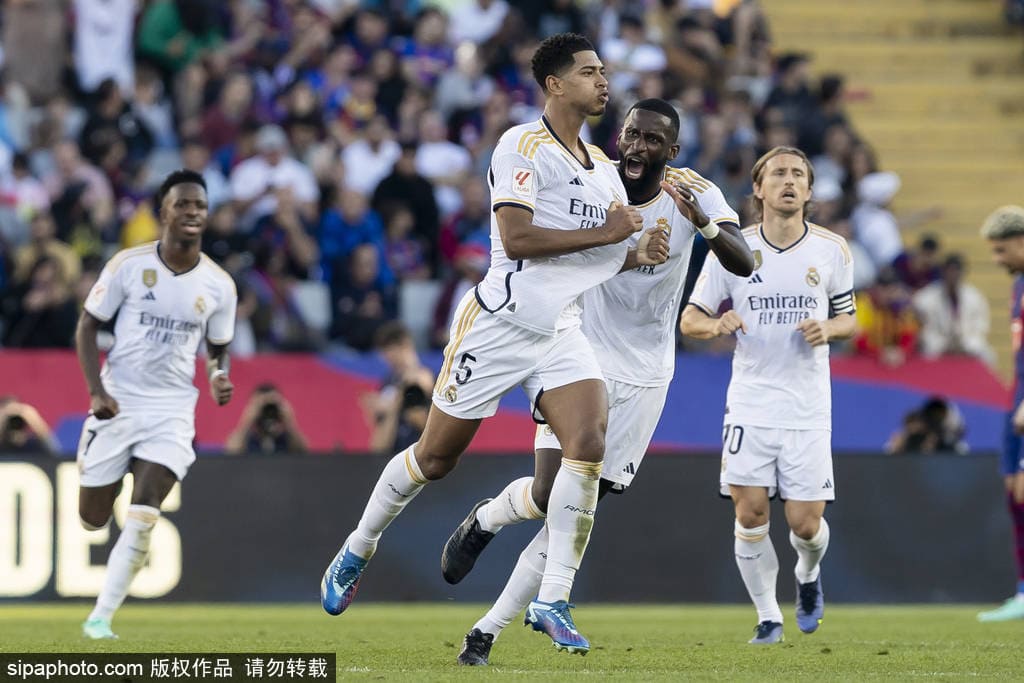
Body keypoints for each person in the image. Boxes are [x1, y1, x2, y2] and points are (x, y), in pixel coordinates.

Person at [319, 33, 664, 655]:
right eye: (589, 72)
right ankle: (357, 548)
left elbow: (598, 255)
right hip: (500, 324)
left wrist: (638, 252)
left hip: (560, 331)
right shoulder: (521, 146)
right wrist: (611, 233)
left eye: (603, 71)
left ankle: (552, 598)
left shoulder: (603, 168)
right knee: (435, 459)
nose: (603, 82)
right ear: (554, 84)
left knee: (588, 444)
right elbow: (518, 237)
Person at [443, 98, 755, 666]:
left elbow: (744, 262)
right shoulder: (592, 181)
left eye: (652, 140)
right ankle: (493, 530)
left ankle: (485, 627)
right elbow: (539, 245)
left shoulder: (694, 192)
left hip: (648, 374)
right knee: (551, 495)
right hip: (577, 355)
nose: (637, 146)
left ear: (672, 151)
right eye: (631, 134)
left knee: (566, 511)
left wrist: (705, 223)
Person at [680, 146, 857, 644]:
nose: (789, 181)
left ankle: (807, 574)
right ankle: (768, 616)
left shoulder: (832, 249)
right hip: (751, 401)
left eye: (798, 174)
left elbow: (849, 317)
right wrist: (717, 324)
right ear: (758, 188)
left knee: (805, 525)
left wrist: (829, 328)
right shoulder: (733, 249)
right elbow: (690, 319)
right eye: (778, 173)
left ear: (809, 189)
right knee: (750, 512)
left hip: (807, 404)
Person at [74, 169, 237, 639]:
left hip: (172, 409)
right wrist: (96, 392)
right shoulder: (129, 265)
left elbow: (217, 347)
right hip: (118, 401)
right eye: (183, 203)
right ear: (163, 211)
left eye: (200, 205)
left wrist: (217, 375)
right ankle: (107, 466)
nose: (193, 212)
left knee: (144, 513)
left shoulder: (219, 285)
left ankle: (100, 619)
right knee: (93, 518)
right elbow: (87, 325)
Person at [977, 205, 1024, 622]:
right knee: (1013, 488)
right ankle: (1023, 591)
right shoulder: (1018, 285)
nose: (997, 259)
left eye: (1001, 249)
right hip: (1017, 395)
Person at [364, 321, 435, 454]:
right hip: (394, 452)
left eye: (390, 350)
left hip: (418, 453)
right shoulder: (388, 382)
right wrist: (389, 409)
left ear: (405, 346)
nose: (387, 357)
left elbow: (423, 421)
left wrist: (397, 401)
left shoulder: (425, 376)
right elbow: (378, 442)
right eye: (384, 351)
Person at [225, 383, 309, 455]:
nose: (268, 411)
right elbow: (231, 454)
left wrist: (289, 422)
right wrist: (247, 421)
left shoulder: (288, 439)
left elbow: (304, 453)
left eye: (272, 406)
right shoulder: (247, 440)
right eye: (262, 406)